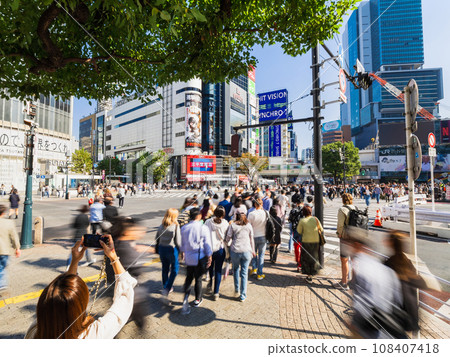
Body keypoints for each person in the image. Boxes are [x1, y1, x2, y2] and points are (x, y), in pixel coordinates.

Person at [25, 237, 137, 338]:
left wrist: (74, 261)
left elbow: (61, 300)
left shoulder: (35, 331)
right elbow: (124, 297)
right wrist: (113, 257)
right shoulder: (92, 334)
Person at [348, 229, 404, 339]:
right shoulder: (387, 270)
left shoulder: (359, 267)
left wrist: (355, 322)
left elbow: (361, 301)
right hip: (388, 327)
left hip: (368, 329)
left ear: (357, 245)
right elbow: (397, 299)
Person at [384, 231, 427, 335]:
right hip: (411, 314)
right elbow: (422, 284)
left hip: (396, 315)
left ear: (390, 243)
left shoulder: (388, 264)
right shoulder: (407, 262)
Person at [111, 217, 148, 329]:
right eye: (135, 230)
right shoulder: (127, 248)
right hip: (129, 289)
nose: (139, 232)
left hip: (115, 286)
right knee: (137, 314)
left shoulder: (115, 243)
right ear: (127, 232)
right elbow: (137, 270)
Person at [180, 208, 212, 314]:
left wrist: (183, 253)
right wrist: (209, 255)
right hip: (200, 256)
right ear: (198, 216)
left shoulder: (184, 228)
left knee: (188, 278)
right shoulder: (203, 228)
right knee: (198, 279)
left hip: (189, 257)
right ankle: (197, 299)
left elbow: (182, 244)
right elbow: (207, 244)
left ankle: (185, 298)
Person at [225, 212, 255, 302]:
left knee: (235, 270)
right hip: (246, 251)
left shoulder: (233, 226)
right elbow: (251, 239)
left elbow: (228, 238)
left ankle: (237, 289)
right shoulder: (249, 226)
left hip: (235, 251)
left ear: (236, 217)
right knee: (244, 273)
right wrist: (253, 250)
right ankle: (243, 294)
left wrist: (227, 241)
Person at [155, 208, 181, 305]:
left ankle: (165, 285)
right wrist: (181, 250)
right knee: (175, 269)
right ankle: (168, 287)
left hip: (162, 248)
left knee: (165, 268)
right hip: (171, 249)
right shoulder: (175, 226)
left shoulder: (161, 225)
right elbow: (178, 241)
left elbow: (157, 238)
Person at [204, 206, 229, 300]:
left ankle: (210, 283)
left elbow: (204, 235)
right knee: (218, 270)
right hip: (220, 249)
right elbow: (227, 237)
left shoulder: (208, 222)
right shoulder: (225, 223)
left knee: (210, 268)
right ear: (223, 215)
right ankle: (216, 292)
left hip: (209, 250)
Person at [296, 205, 323, 283]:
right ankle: (314, 271)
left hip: (306, 241)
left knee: (306, 258)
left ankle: (309, 275)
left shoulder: (302, 221)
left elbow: (299, 231)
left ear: (303, 212)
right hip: (316, 241)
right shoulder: (315, 219)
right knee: (314, 256)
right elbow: (321, 229)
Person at [335, 193, 355, 290]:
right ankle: (354, 281)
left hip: (346, 237)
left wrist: (339, 234)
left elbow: (340, 225)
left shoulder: (342, 209)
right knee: (354, 260)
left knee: (344, 259)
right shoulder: (355, 208)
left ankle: (344, 282)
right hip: (356, 237)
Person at [0, 205, 21, 291]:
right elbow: (14, 237)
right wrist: (17, 248)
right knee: (2, 267)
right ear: (3, 213)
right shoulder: (9, 223)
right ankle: (2, 284)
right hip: (5, 250)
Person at [248, 199, 268, 280]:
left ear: (255, 205)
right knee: (261, 255)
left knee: (254, 253)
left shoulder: (251, 214)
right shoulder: (266, 213)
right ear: (262, 204)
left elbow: (248, 226)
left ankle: (254, 269)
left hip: (254, 236)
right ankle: (260, 273)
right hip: (263, 235)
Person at [288, 202, 303, 272]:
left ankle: (298, 260)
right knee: (302, 247)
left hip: (295, 229)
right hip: (303, 230)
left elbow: (290, 219)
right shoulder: (304, 210)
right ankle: (301, 263)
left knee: (296, 246)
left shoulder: (293, 210)